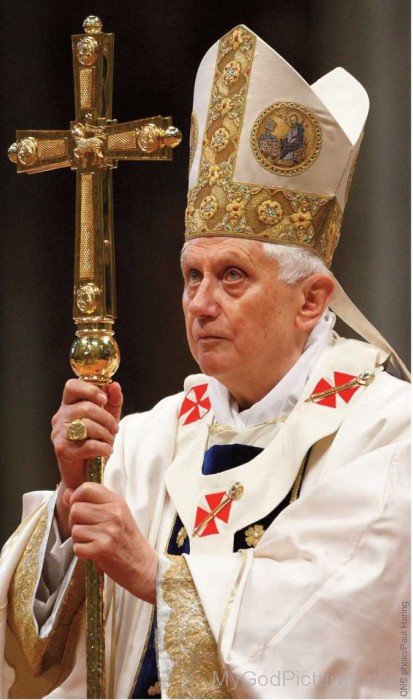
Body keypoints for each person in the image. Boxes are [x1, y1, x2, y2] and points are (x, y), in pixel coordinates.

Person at [0, 25, 410, 700]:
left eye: (231, 277)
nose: (201, 302)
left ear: (311, 300)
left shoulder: (385, 434)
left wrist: (151, 573)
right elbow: (40, 654)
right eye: (191, 276)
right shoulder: (147, 439)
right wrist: (72, 506)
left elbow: (335, 629)